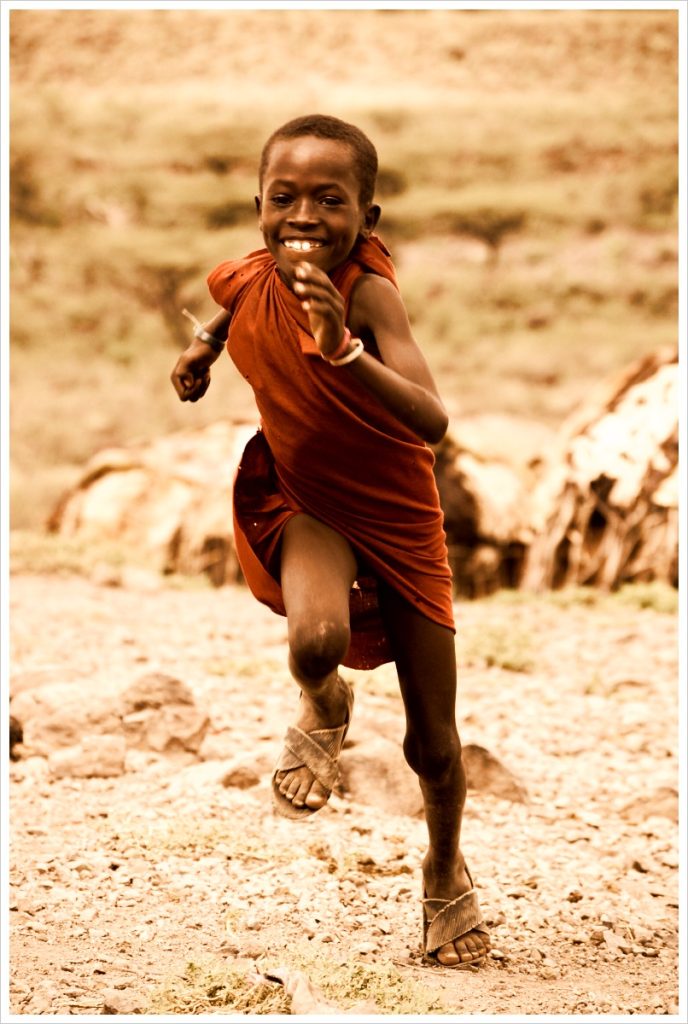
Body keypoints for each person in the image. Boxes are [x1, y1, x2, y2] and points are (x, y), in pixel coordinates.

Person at [171, 114, 490, 969]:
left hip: (398, 515)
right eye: (285, 198)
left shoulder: (367, 292)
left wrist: (343, 351)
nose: (303, 215)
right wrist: (201, 353)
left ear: (367, 218)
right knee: (315, 641)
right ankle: (325, 705)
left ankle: (444, 867)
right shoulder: (247, 275)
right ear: (259, 206)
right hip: (309, 501)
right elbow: (228, 305)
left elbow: (431, 419)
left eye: (329, 199)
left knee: (434, 742)